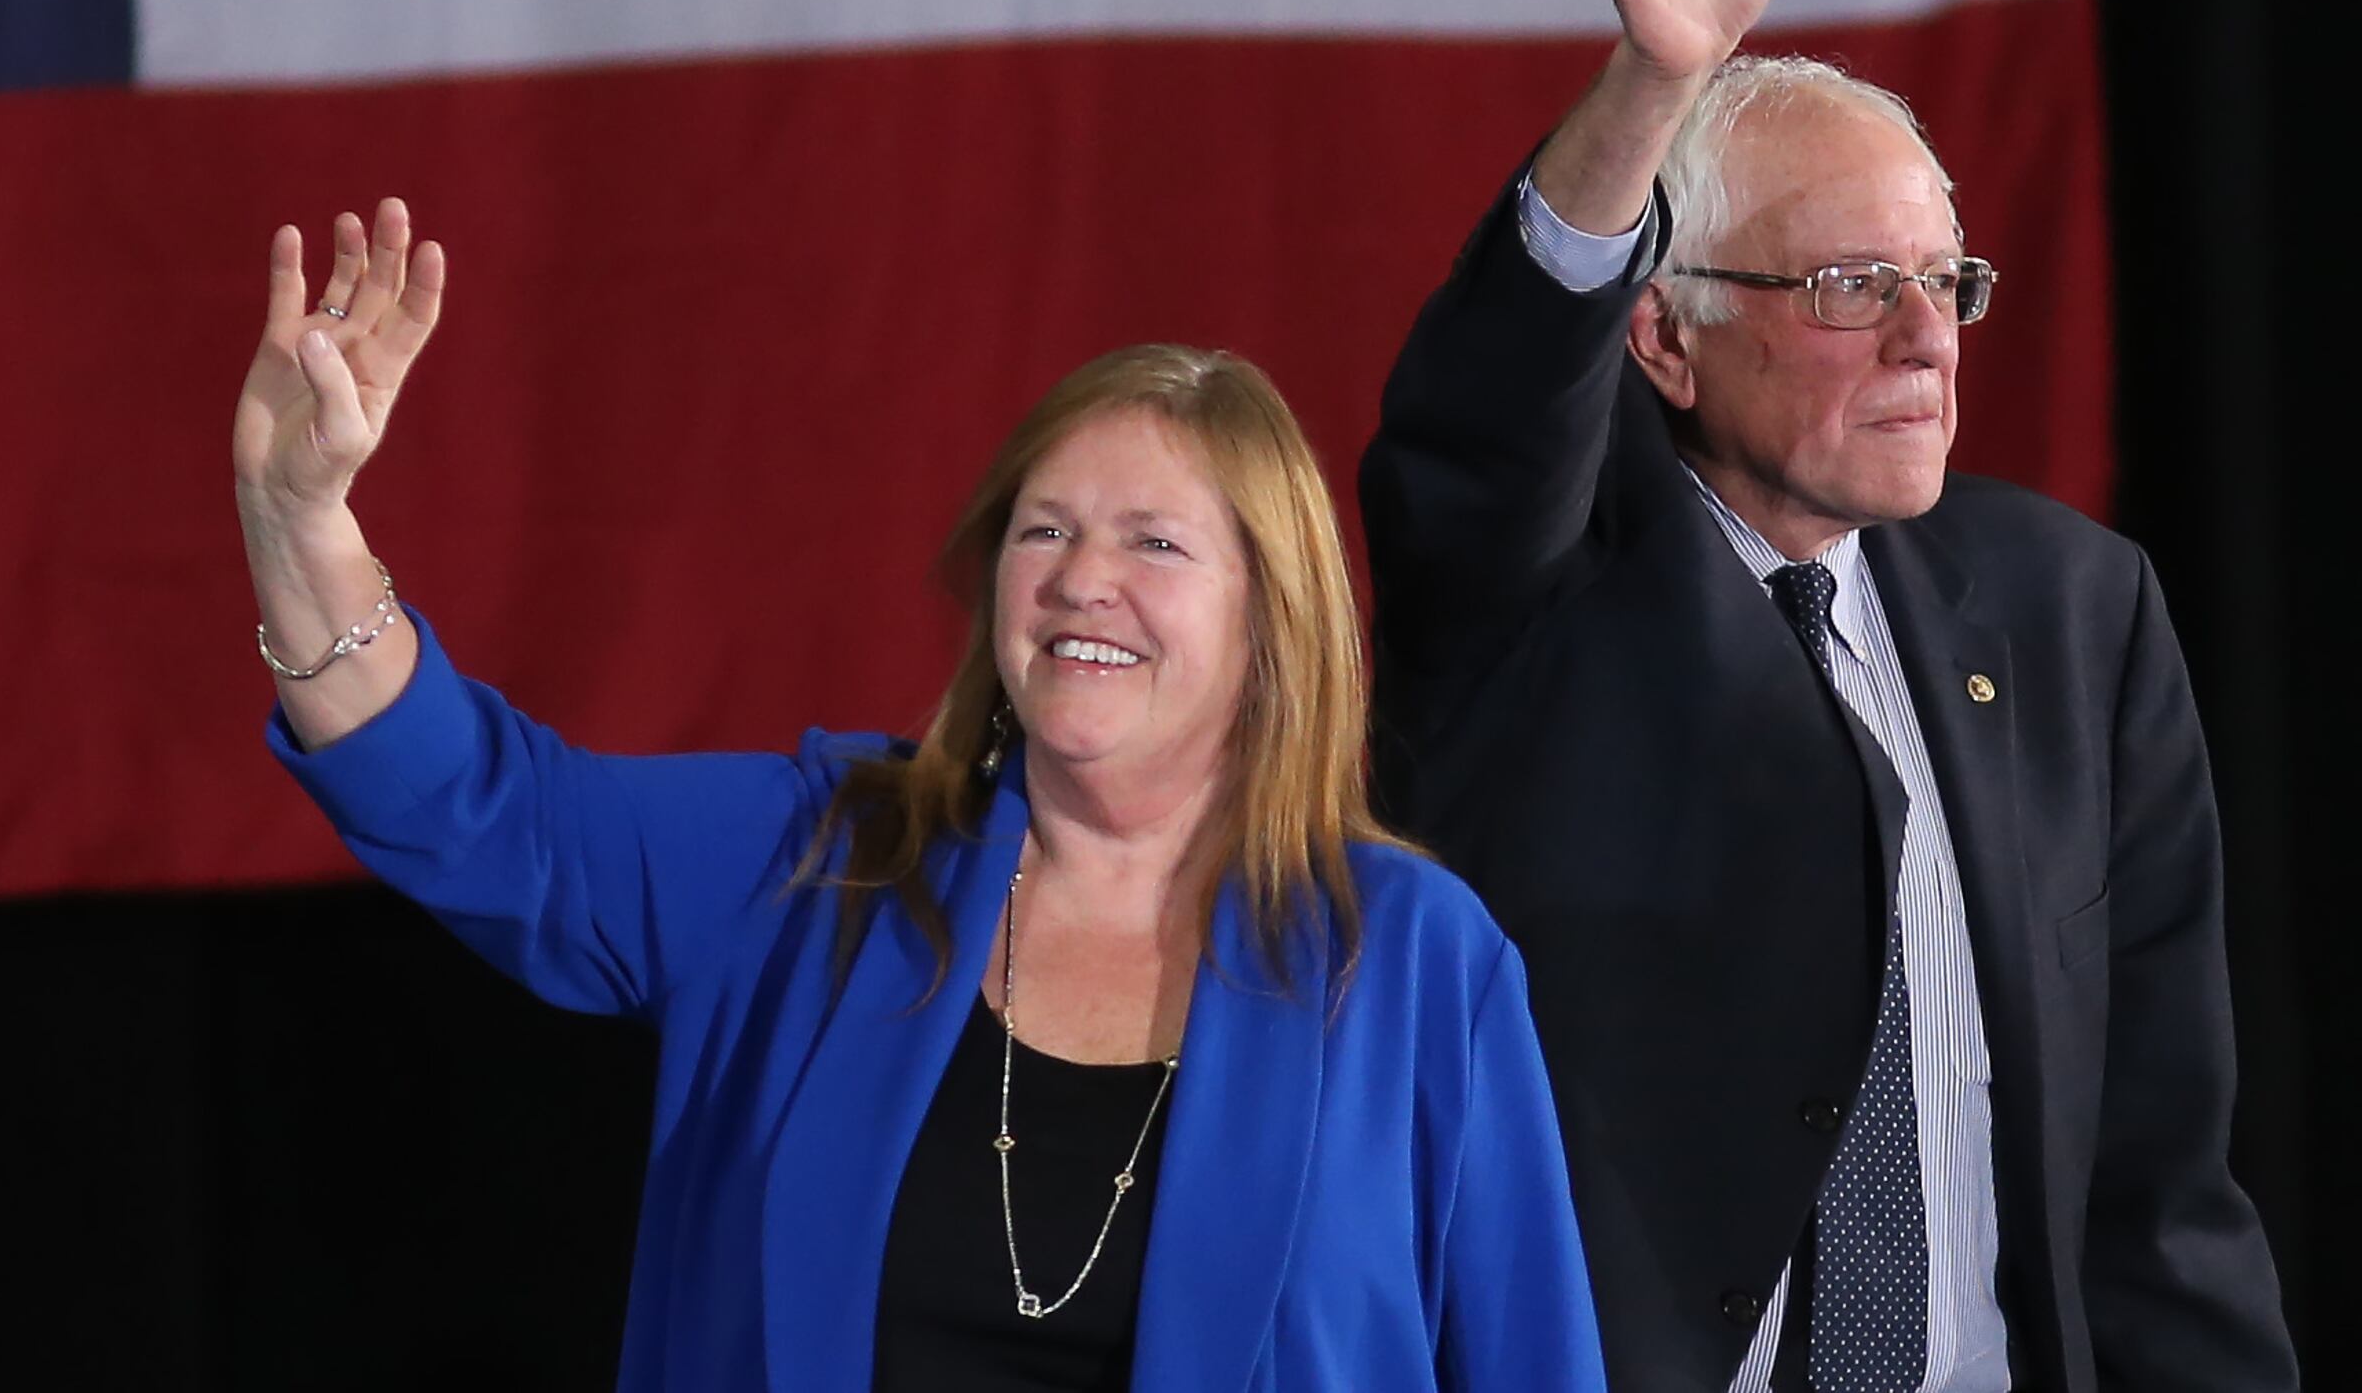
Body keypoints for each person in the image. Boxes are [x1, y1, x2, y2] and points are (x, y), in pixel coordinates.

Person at [236, 200, 1607, 1393]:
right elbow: (483, 808)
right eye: (1046, 528)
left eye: (1155, 541)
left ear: (1270, 620)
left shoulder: (1416, 956)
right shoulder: (814, 864)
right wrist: (301, 526)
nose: (1081, 579)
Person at [1361, 0, 2294, 1393]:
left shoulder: (2078, 612)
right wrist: (1652, 84)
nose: (1931, 336)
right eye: (1857, 282)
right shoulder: (1542, 586)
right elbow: (1483, 419)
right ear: (1667, 333)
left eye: (1950, 277)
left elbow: (2158, 1181)